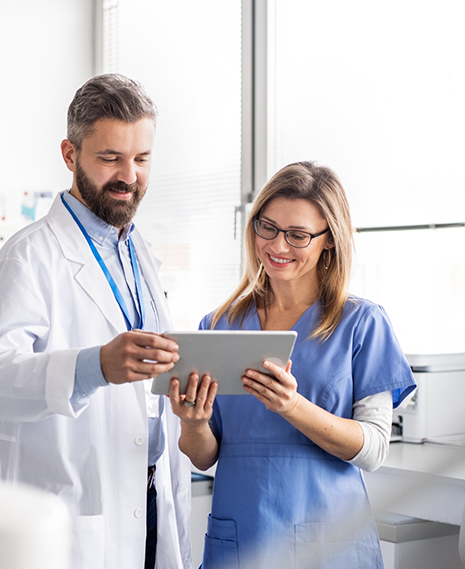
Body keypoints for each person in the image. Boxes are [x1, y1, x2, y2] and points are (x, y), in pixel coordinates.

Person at [0, 74, 193, 569]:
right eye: (110, 157)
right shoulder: (28, 257)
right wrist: (96, 367)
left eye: (141, 159)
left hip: (152, 501)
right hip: (77, 520)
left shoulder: (141, 255)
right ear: (70, 155)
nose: (128, 175)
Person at [169, 161, 416, 569]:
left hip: (330, 543)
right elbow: (204, 456)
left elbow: (372, 449)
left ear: (329, 240)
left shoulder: (361, 323)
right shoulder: (218, 325)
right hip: (240, 540)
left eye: (298, 235)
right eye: (267, 227)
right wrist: (193, 423)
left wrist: (291, 406)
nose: (277, 246)